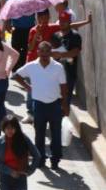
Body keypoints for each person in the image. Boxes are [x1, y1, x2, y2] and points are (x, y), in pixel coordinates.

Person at [12, 42, 68, 170]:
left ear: (50, 52)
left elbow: (64, 87)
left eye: (47, 51)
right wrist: (27, 87)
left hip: (55, 105)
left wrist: (65, 105)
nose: (44, 54)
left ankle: (55, 160)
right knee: (39, 134)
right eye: (42, 51)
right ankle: (40, 159)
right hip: (39, 105)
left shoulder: (58, 67)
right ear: (38, 52)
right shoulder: (32, 66)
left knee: (56, 134)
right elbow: (16, 75)